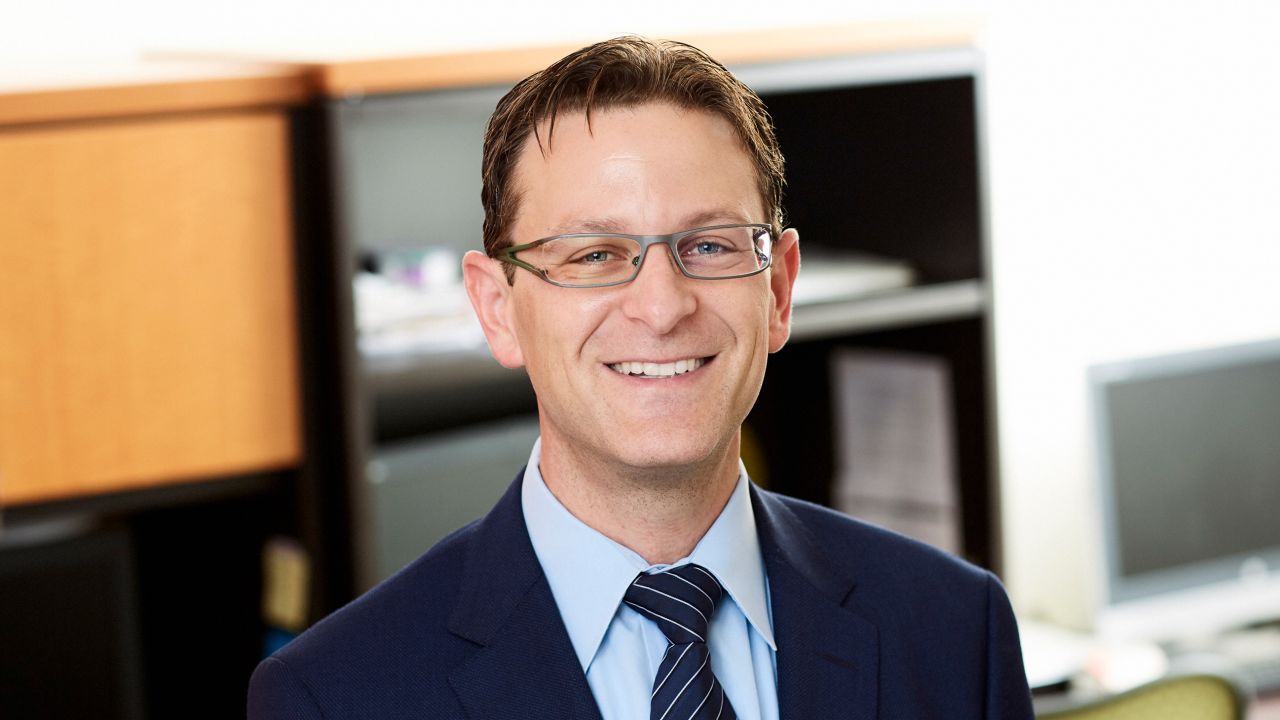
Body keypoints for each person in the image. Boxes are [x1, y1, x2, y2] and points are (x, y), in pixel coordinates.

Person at [248, 36, 1034, 720]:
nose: (660, 307)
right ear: (497, 309)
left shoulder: (954, 632)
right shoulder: (337, 695)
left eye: (713, 247)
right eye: (593, 255)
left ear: (780, 289)